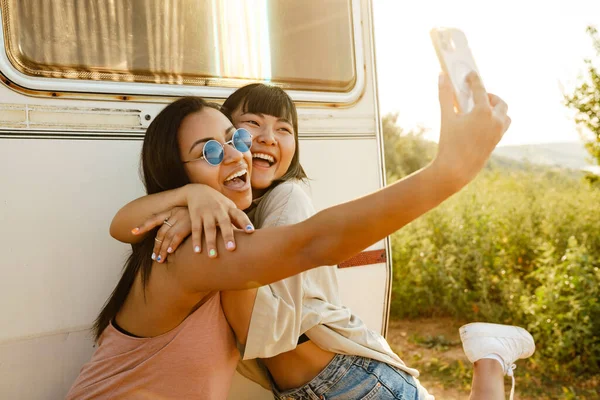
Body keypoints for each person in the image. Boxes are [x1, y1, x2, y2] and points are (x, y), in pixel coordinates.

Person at [108, 77, 533, 400]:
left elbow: (314, 243)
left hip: (349, 377)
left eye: (233, 141)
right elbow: (121, 225)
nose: (244, 149)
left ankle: (490, 360)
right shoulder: (199, 239)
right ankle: (490, 357)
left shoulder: (254, 215)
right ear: (174, 172)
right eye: (214, 150)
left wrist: (451, 172)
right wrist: (191, 196)